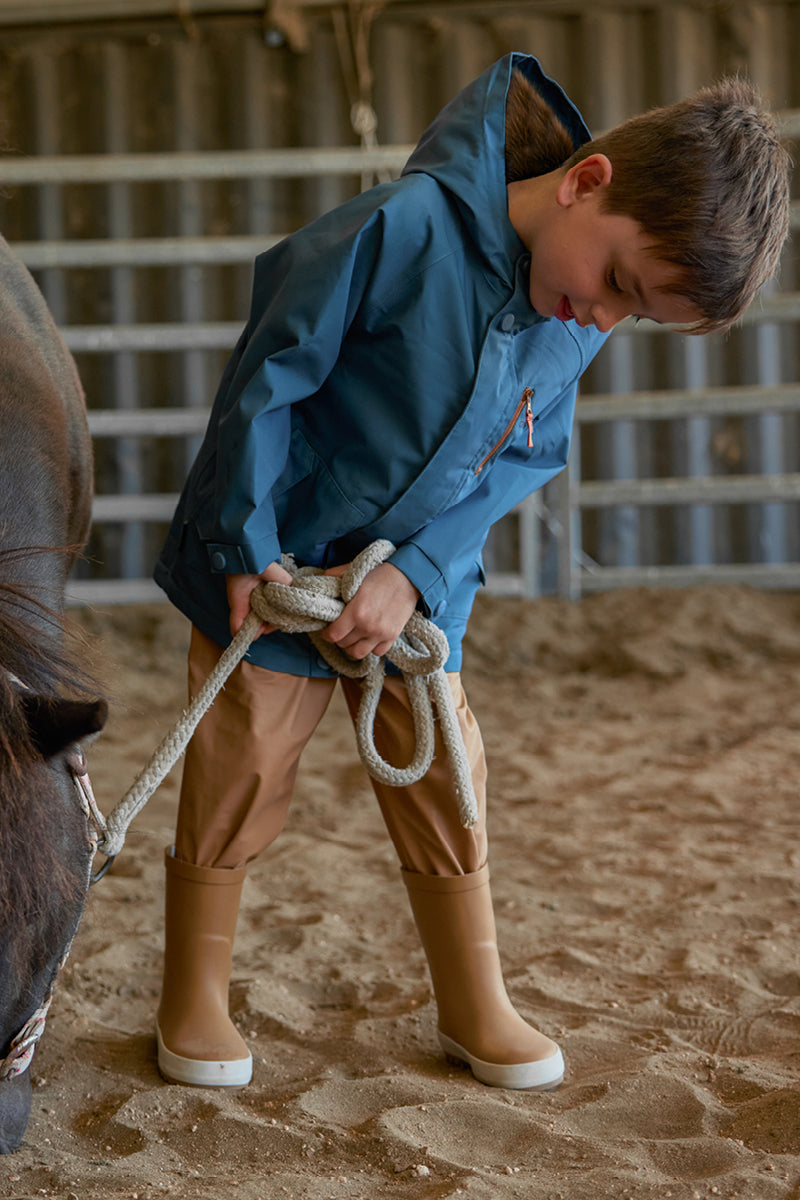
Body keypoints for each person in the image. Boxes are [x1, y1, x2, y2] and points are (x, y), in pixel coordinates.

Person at [151, 52, 790, 1091]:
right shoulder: (397, 230)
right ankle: (195, 995)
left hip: (412, 598)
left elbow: (527, 455)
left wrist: (422, 571)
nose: (602, 322)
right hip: (279, 572)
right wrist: (241, 545)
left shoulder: (571, 315)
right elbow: (270, 377)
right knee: (243, 764)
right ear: (586, 183)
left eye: (638, 318)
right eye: (621, 287)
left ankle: (474, 998)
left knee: (450, 774)